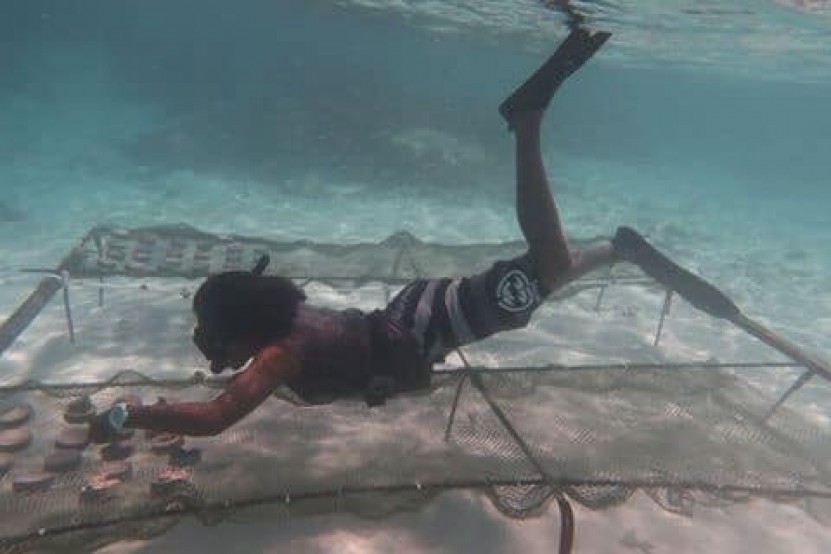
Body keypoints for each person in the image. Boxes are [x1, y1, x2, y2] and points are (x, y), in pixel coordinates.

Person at [88, 27, 621, 441]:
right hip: (417, 317)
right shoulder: (278, 321)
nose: (209, 345)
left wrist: (126, 415)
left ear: (241, 326)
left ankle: (527, 122)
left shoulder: (278, 353)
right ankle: (616, 249)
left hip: (434, 323)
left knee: (547, 269)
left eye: (211, 331)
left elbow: (217, 416)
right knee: (547, 277)